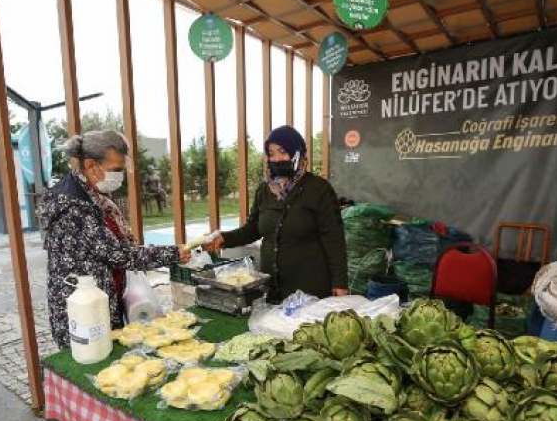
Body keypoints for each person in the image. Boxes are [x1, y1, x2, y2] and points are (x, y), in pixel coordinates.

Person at [39, 130, 191, 349]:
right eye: (115, 170)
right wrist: (173, 253)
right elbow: (116, 253)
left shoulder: (90, 195)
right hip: (84, 312)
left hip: (100, 299)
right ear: (91, 165)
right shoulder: (74, 205)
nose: (119, 176)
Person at [204, 125, 348, 301]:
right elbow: (253, 229)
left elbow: (334, 240)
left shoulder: (319, 189)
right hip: (271, 288)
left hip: (309, 289)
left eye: (283, 152)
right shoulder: (264, 190)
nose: (277, 159)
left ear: (298, 152)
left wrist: (340, 283)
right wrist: (224, 238)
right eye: (271, 154)